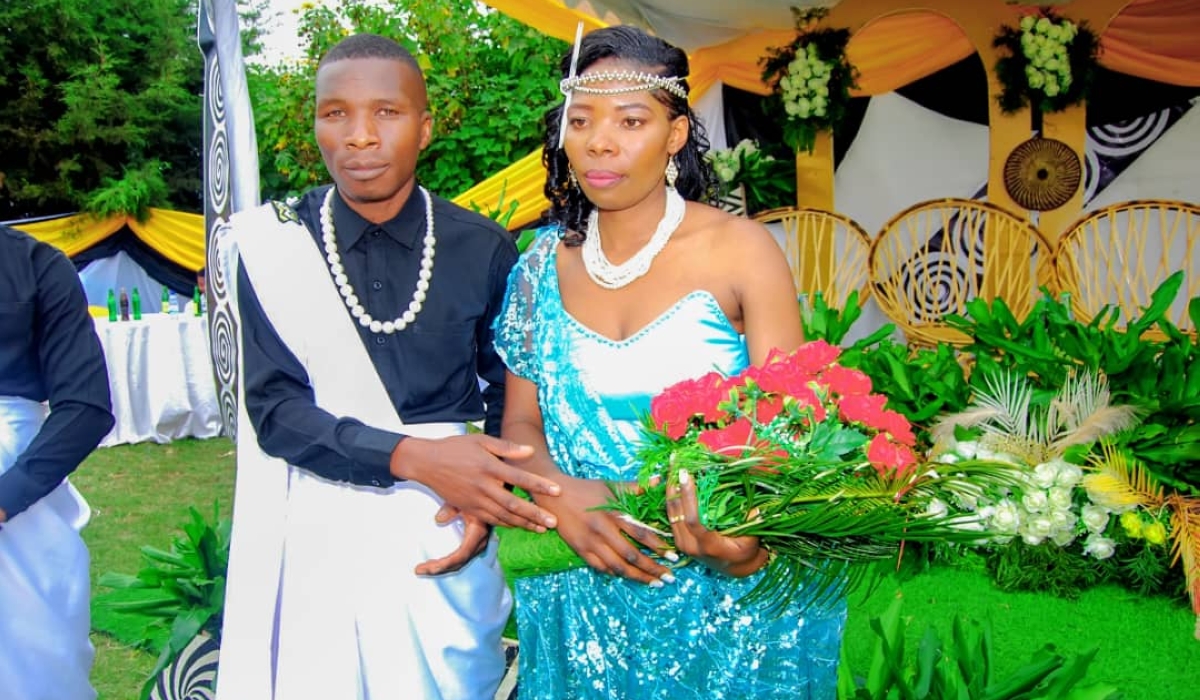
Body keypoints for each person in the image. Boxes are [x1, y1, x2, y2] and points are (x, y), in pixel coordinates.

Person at [494, 25, 847, 698]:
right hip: (584, 590)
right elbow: (519, 424)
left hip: (721, 596)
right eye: (582, 120)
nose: (600, 141)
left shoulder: (743, 250)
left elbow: (788, 424)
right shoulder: (538, 265)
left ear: (676, 133)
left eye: (631, 121)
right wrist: (560, 499)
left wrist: (742, 534)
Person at [214, 34, 561, 700]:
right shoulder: (275, 245)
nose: (359, 136)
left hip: (448, 518)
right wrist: (411, 456)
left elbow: (508, 399)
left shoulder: (482, 247)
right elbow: (274, 411)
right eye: (335, 113)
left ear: (425, 126)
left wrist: (489, 498)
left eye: (387, 113)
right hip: (314, 513)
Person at [0, 223, 114, 699]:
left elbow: (86, 405)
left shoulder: (39, 266)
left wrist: (8, 497)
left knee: (32, 663)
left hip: (20, 504)